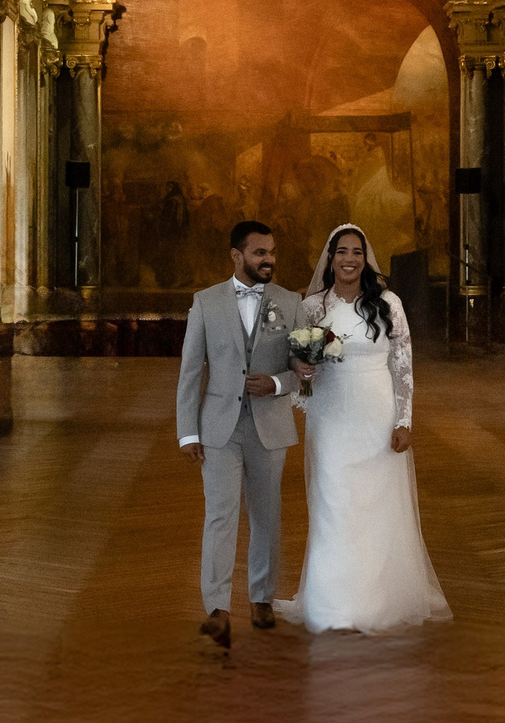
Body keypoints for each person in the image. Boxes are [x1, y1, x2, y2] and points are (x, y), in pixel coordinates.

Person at [283, 223, 452, 633]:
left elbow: (403, 365)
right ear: (330, 257)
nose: (349, 259)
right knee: (333, 502)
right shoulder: (313, 308)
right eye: (341, 252)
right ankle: (332, 602)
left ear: (366, 258)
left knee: (378, 504)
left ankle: (379, 598)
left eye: (357, 252)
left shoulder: (388, 303)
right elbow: (302, 371)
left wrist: (404, 419)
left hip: (376, 414)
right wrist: (302, 370)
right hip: (331, 417)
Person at [177, 220, 304, 647]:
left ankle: (262, 598)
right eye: (259, 253)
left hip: (270, 424)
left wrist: (277, 384)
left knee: (267, 516)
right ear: (237, 256)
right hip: (218, 428)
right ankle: (216, 608)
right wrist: (187, 433)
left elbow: (304, 372)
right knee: (220, 514)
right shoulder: (205, 302)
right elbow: (191, 371)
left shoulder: (291, 302)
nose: (268, 260)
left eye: (271, 252)